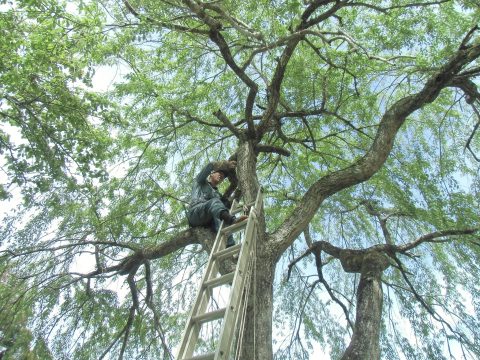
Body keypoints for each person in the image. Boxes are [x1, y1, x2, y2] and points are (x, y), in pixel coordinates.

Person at [187, 160, 248, 247]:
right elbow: (210, 165)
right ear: (211, 174)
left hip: (208, 221)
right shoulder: (199, 181)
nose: (221, 176)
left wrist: (238, 190)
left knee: (223, 213)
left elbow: (227, 204)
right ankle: (232, 220)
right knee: (217, 204)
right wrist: (226, 164)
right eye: (219, 173)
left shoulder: (217, 195)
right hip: (195, 213)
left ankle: (230, 245)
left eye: (223, 177)